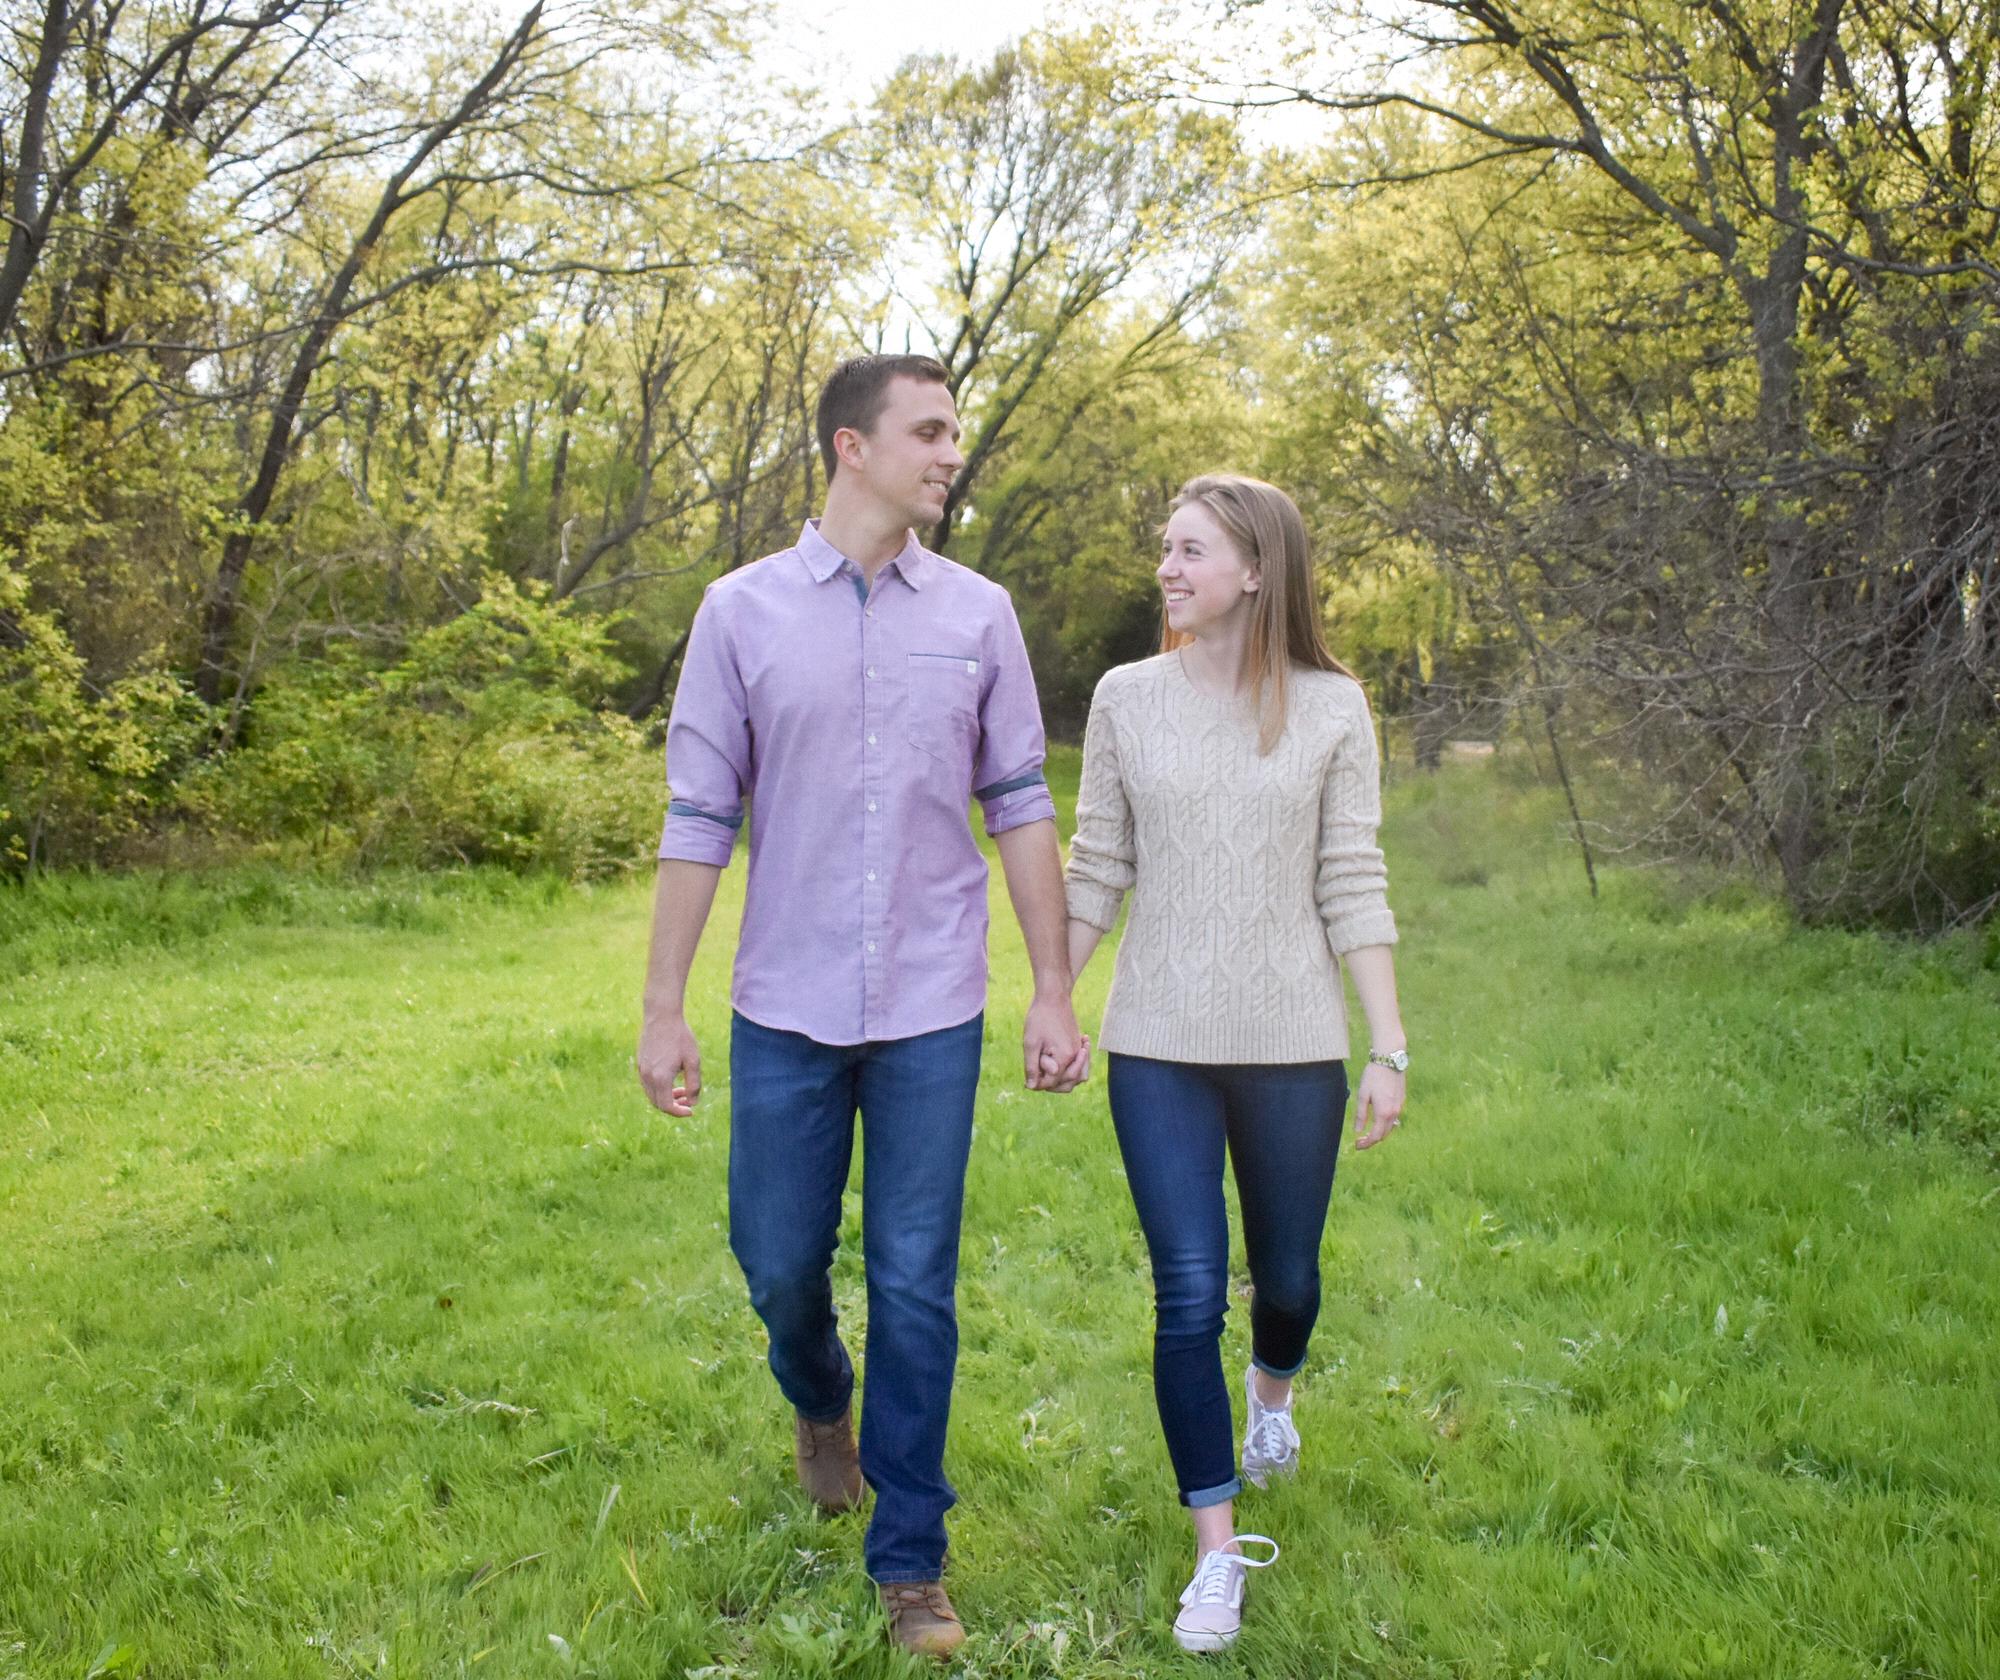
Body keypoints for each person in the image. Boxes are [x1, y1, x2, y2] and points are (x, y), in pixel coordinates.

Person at [635, 353, 1088, 1658]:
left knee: (915, 1284)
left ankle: (912, 1564)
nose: (950, 453)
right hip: (784, 1002)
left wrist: (1053, 987)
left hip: (932, 1002)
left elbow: (1019, 802)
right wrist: (662, 1008)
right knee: (779, 1264)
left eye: (953, 432)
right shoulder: (738, 612)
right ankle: (819, 1396)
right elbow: (699, 814)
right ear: (852, 446)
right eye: (928, 431)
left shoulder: (980, 614)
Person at [1062, 473, 1408, 1654]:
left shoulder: (1331, 708)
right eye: (1164, 547)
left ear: (1256, 570)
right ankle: (1215, 1555)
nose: (1166, 568)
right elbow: (1097, 861)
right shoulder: (1125, 697)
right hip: (1155, 1040)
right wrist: (1054, 995)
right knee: (1185, 1291)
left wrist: (1386, 1047)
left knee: (1288, 1284)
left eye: (1191, 550)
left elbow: (1350, 876)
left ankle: (1272, 1397)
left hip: (1292, 1045)